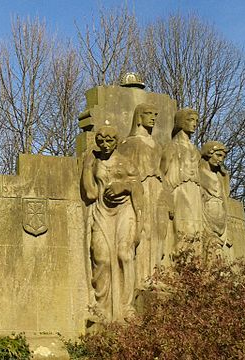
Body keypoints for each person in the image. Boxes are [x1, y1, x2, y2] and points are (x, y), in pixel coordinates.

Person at [82, 125, 143, 324]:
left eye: (110, 141)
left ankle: (127, 308)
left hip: (124, 211)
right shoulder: (94, 162)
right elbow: (90, 193)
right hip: (101, 211)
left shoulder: (126, 163)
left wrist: (123, 185)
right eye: (102, 142)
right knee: (101, 258)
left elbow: (138, 189)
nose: (106, 145)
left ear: (117, 141)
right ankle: (101, 308)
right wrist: (86, 167)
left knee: (124, 255)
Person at [118, 104, 166, 288]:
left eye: (155, 114)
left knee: (156, 232)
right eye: (148, 114)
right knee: (142, 230)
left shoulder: (157, 144)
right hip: (140, 189)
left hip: (156, 189)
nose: (153, 118)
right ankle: (142, 278)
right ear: (139, 117)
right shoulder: (130, 143)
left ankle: (155, 275)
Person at [161, 108, 203, 255]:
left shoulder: (196, 151)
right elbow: (162, 174)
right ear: (180, 122)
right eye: (190, 120)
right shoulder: (171, 147)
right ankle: (181, 274)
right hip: (179, 192)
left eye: (196, 121)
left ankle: (194, 274)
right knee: (185, 234)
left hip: (195, 194)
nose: (194, 124)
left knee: (197, 235)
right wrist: (167, 200)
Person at [199, 141, 232, 257]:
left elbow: (225, 196)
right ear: (209, 153)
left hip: (220, 221)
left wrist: (225, 176)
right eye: (218, 155)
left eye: (223, 157)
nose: (221, 160)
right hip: (206, 217)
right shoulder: (198, 172)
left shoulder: (219, 176)